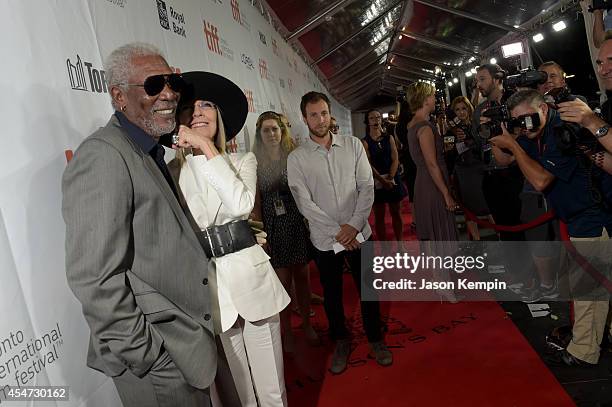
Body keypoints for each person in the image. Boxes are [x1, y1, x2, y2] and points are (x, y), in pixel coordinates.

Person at [62, 43, 216, 407]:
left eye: (172, 83)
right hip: (158, 362)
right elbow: (93, 279)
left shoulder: (146, 151)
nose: (169, 94)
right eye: (153, 85)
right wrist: (150, 357)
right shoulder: (103, 155)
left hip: (183, 348)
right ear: (119, 96)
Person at [173, 71, 290, 406]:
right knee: (240, 394)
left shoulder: (242, 161)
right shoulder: (173, 171)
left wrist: (206, 147)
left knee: (271, 390)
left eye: (206, 105)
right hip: (212, 290)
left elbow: (240, 204)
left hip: (252, 280)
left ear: (218, 116)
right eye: (190, 107)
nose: (197, 112)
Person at [490, 89, 612, 366]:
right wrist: (498, 139)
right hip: (580, 214)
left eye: (528, 119)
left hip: (593, 214)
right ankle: (598, 338)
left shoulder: (560, 131)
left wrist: (515, 145)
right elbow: (506, 161)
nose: (524, 126)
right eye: (518, 121)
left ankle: (584, 351)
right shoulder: (537, 132)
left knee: (589, 287)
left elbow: (541, 181)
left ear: (544, 109)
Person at [287, 91, 392, 375]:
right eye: (313, 115)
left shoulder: (354, 145)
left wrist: (354, 227)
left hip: (360, 233)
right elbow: (304, 203)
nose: (319, 120)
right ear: (304, 118)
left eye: (323, 113)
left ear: (330, 113)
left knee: (369, 290)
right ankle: (341, 341)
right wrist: (339, 232)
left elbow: (367, 187)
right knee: (332, 296)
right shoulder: (296, 158)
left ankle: (375, 339)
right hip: (325, 240)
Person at [252, 111, 320, 353]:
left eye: (275, 129)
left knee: (303, 280)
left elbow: (306, 192)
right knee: (281, 285)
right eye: (266, 130)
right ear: (259, 134)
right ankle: (287, 333)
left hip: (295, 223)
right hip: (273, 227)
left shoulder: (293, 157)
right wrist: (261, 236)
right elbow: (256, 203)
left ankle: (307, 324)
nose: (271, 134)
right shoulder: (255, 162)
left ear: (282, 132)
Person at [406, 82, 459, 241]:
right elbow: (431, 164)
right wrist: (446, 194)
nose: (435, 99)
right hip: (433, 186)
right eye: (433, 95)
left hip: (423, 182)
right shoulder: (424, 127)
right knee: (443, 237)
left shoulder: (412, 124)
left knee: (436, 239)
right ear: (425, 100)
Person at [362, 109, 407, 242]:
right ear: (367, 122)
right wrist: (382, 180)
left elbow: (395, 158)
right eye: (372, 118)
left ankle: (400, 244)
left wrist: (391, 178)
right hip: (377, 181)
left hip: (392, 178)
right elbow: (368, 165)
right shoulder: (364, 142)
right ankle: (384, 248)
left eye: (378, 117)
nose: (376, 120)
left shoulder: (389, 138)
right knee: (379, 217)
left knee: (396, 213)